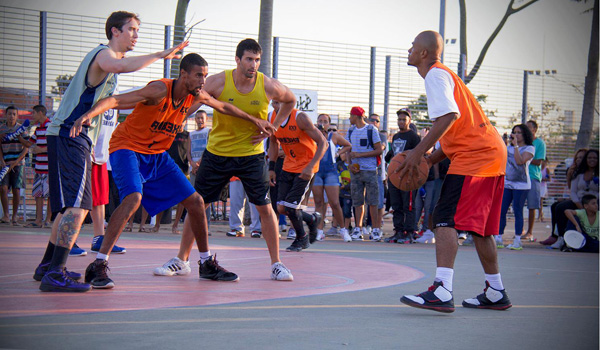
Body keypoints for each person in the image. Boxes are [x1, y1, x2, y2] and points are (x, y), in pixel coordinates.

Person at [71, 53, 260, 288]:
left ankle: (205, 263)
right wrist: (87, 115)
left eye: (206, 75)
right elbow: (117, 101)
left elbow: (222, 106)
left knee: (196, 202)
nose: (203, 81)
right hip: (127, 147)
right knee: (133, 198)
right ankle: (98, 264)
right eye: (199, 75)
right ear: (183, 75)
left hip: (157, 155)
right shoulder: (159, 90)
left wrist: (256, 121)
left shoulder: (196, 96)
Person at [34, 11, 189, 292]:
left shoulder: (109, 60)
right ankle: (55, 272)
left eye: (137, 30)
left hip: (71, 135)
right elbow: (119, 66)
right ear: (115, 31)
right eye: (131, 29)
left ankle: (47, 265)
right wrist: (161, 54)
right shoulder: (104, 55)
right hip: (71, 133)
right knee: (79, 207)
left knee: (68, 207)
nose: (135, 35)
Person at [399, 31, 512, 313]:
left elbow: (450, 117)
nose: (409, 50)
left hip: (476, 155)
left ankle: (441, 289)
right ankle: (496, 290)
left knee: (444, 218)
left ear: (424, 53)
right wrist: (429, 158)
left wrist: (416, 152)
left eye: (413, 47)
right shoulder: (444, 76)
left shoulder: (436, 75)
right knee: (480, 229)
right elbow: (455, 133)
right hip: (489, 152)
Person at [170, 39, 297, 281]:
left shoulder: (267, 85)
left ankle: (277, 264)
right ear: (237, 59)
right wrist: (174, 119)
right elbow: (196, 102)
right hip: (217, 153)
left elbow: (290, 100)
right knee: (197, 205)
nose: (254, 64)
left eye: (257, 60)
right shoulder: (219, 81)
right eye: (249, 59)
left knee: (264, 207)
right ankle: (181, 260)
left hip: (251, 155)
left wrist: (274, 127)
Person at [268, 101, 327, 251]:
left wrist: (310, 166)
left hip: (306, 166)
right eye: (273, 98)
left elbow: (323, 143)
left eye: (279, 98)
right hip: (289, 165)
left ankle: (302, 238)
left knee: (291, 206)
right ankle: (312, 219)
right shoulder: (271, 118)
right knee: (281, 208)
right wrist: (271, 167)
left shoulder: (300, 117)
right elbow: (273, 143)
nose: (275, 102)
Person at [89, 97, 126, 254]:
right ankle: (67, 242)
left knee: (100, 199)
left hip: (102, 156)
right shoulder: (95, 97)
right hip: (88, 153)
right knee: (81, 200)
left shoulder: (116, 101)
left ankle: (99, 238)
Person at [345, 106, 384, 241]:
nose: (349, 118)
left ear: (356, 116)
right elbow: (347, 149)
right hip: (356, 171)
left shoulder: (371, 130)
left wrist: (360, 155)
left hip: (370, 170)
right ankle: (358, 228)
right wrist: (349, 164)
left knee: (372, 201)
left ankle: (376, 229)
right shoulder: (350, 131)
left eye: (351, 115)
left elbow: (379, 150)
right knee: (357, 201)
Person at [312, 113, 351, 241]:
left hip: (331, 172)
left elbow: (348, 145)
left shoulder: (333, 136)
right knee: (318, 202)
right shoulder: (312, 136)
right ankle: (319, 230)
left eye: (325, 121)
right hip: (317, 171)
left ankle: (343, 230)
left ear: (328, 123)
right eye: (320, 120)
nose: (322, 123)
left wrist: (338, 153)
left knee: (334, 203)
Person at [384, 107, 421, 243]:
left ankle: (410, 232)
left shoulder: (414, 137)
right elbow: (391, 155)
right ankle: (398, 231)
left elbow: (419, 157)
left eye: (404, 119)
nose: (401, 121)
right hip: (394, 176)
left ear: (409, 120)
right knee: (396, 205)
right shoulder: (396, 136)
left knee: (409, 205)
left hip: (409, 176)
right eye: (399, 119)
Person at [549, 149, 599, 249]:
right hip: (579, 201)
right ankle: (562, 237)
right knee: (560, 207)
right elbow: (573, 191)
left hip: (596, 202)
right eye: (589, 158)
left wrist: (591, 204)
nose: (592, 160)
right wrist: (580, 205)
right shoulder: (578, 173)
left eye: (595, 158)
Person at [497, 124, 535, 250]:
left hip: (522, 185)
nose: (516, 135)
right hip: (508, 183)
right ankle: (498, 237)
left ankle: (518, 240)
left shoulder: (530, 148)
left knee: (517, 211)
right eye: (514, 132)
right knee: (501, 209)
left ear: (525, 135)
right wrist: (504, 143)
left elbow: (520, 161)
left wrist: (516, 146)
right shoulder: (509, 148)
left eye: (519, 132)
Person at [541, 148, 587, 245]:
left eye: (582, 158)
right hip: (577, 200)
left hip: (588, 202)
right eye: (577, 158)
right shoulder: (575, 171)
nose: (579, 160)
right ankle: (556, 236)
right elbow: (572, 190)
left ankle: (562, 236)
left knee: (561, 207)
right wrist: (569, 175)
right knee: (555, 205)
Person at [22, 105, 51, 228]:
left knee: (49, 195)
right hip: (39, 167)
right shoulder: (38, 128)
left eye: (33, 113)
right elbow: (29, 143)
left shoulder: (50, 126)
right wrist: (18, 136)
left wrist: (41, 149)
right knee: (38, 194)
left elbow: (56, 145)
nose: (32, 115)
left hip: (49, 168)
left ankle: (48, 220)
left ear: (40, 113)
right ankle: (38, 220)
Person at [0, 106, 29, 225]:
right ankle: (6, 215)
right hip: (4, 163)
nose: (11, 116)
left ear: (17, 116)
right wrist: (1, 161)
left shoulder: (21, 129)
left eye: (14, 114)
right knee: (3, 188)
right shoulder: (1, 129)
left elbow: (27, 146)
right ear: (5, 115)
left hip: (18, 164)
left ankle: (15, 216)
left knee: (16, 190)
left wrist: (16, 162)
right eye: (9, 114)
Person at [523, 120, 546, 242]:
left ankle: (530, 232)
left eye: (529, 127)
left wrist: (524, 158)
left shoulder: (540, 143)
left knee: (532, 206)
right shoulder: (521, 142)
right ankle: (520, 230)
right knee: (518, 205)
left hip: (533, 177)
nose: (526, 129)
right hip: (520, 177)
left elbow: (538, 161)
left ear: (535, 130)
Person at [166, 129, 190, 234]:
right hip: (168, 168)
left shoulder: (188, 135)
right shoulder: (169, 132)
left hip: (183, 170)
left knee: (182, 198)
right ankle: (156, 225)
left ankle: (175, 225)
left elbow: (189, 152)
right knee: (164, 195)